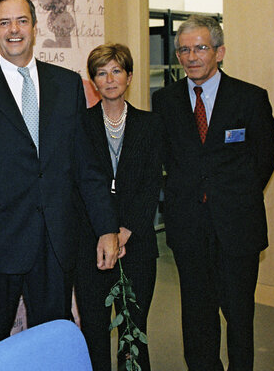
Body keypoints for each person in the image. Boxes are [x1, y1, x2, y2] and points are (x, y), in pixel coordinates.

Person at [0, 0, 120, 355]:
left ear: (35, 27)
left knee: (50, 348)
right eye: (4, 22)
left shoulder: (67, 84)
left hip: (54, 244)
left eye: (21, 20)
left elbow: (86, 167)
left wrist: (106, 227)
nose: (14, 30)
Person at [152, 15, 274, 371]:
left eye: (201, 48)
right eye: (184, 50)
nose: (192, 57)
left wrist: (231, 198)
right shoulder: (165, 102)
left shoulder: (250, 98)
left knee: (239, 317)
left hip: (237, 228)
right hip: (188, 229)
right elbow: (164, 160)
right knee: (197, 316)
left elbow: (265, 157)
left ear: (219, 51)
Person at [75, 44, 162, 370]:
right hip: (91, 246)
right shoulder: (79, 125)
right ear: (93, 80)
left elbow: (151, 185)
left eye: (116, 71)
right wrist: (105, 232)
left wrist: (123, 233)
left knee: (134, 330)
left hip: (137, 244)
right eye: (101, 72)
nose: (109, 79)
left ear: (129, 76)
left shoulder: (151, 125)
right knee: (94, 331)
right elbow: (78, 187)